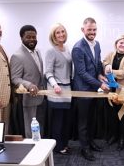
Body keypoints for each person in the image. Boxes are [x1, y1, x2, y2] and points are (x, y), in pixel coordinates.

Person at [71, 17, 110, 161]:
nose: (92, 32)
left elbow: (97, 63)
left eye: (94, 30)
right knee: (83, 122)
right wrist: (100, 84)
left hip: (93, 89)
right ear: (83, 30)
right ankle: (84, 148)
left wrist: (100, 75)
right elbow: (81, 73)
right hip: (82, 90)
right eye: (89, 30)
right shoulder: (77, 48)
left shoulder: (97, 44)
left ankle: (90, 142)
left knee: (92, 120)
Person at [10, 25, 45, 138]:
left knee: (40, 128)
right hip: (28, 99)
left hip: (40, 97)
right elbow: (15, 78)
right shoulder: (17, 55)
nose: (31, 39)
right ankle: (33, 153)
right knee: (31, 131)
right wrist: (29, 85)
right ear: (21, 38)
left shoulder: (38, 52)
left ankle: (42, 152)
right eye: (28, 37)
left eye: (34, 37)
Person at [103, 35, 124, 151]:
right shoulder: (110, 55)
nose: (122, 45)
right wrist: (106, 66)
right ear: (116, 44)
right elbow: (104, 63)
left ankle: (123, 139)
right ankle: (115, 136)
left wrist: (110, 71)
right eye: (121, 43)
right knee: (113, 115)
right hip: (112, 90)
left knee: (123, 116)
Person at [45, 23, 73, 155]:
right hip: (57, 90)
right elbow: (48, 72)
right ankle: (57, 146)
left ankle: (64, 144)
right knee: (58, 121)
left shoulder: (66, 48)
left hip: (67, 90)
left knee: (66, 120)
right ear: (53, 36)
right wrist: (55, 85)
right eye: (58, 32)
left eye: (62, 31)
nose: (61, 34)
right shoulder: (51, 51)